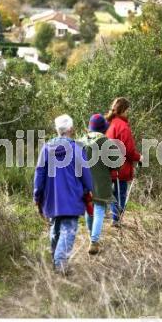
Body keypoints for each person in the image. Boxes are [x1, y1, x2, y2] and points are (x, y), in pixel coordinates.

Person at [33, 114, 93, 274]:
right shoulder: (76, 148)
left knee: (55, 228)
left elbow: (39, 173)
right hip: (72, 196)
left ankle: (55, 259)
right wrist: (90, 188)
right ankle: (60, 263)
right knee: (68, 230)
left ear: (57, 130)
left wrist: (37, 195)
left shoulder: (46, 148)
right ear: (71, 129)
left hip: (51, 197)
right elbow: (85, 172)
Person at [79, 114, 117, 255]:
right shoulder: (105, 142)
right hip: (101, 183)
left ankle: (91, 237)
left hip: (84, 184)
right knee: (99, 210)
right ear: (103, 129)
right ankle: (94, 241)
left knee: (89, 210)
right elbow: (117, 163)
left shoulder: (80, 141)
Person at [105, 97, 142, 227]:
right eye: (127, 110)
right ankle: (116, 220)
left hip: (108, 164)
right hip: (121, 166)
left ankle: (113, 218)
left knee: (113, 193)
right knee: (120, 193)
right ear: (124, 109)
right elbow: (128, 150)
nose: (128, 112)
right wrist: (139, 158)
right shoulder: (122, 126)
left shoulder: (110, 123)